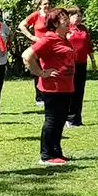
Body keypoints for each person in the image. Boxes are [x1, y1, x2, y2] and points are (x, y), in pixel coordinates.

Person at [23, 9, 76, 166]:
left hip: (65, 87)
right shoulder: (49, 39)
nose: (68, 21)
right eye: (64, 18)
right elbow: (27, 56)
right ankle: (46, 155)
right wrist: (41, 72)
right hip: (53, 87)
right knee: (52, 120)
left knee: (60, 120)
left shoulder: (63, 39)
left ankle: (56, 151)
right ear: (55, 23)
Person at [65, 8, 98, 127]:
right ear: (69, 17)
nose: (78, 18)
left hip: (82, 63)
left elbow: (88, 45)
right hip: (69, 63)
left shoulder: (84, 29)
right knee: (70, 90)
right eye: (75, 16)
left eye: (80, 16)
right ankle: (68, 117)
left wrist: (93, 60)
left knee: (79, 91)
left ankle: (76, 118)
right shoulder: (66, 28)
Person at [20, 0, 54, 106]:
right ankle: (39, 97)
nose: (47, 6)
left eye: (49, 4)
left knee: (50, 69)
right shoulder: (36, 15)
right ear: (39, 5)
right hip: (38, 47)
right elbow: (22, 25)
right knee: (38, 70)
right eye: (44, 4)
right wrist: (32, 37)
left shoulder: (53, 15)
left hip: (51, 47)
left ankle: (50, 93)